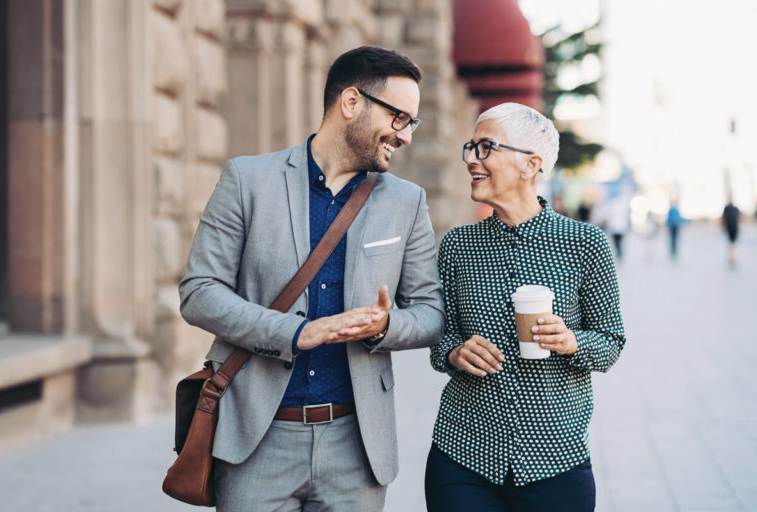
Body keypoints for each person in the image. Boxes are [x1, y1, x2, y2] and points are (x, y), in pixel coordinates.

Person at [179, 46, 445, 511]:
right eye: (399, 118)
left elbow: (431, 312)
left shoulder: (407, 201)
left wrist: (383, 327)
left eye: (411, 124)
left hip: (357, 447)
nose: (404, 136)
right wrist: (295, 333)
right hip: (255, 441)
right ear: (351, 103)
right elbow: (199, 293)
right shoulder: (247, 179)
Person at [425, 103, 626, 511]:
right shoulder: (457, 246)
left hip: (555, 461)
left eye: (485, 148)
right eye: (470, 147)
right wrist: (453, 351)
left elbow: (611, 343)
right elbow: (438, 335)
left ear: (530, 165)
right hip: (463, 454)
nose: (470, 159)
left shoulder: (586, 244)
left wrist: (571, 342)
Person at [722, 199, 740, 267]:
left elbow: (738, 218)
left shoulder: (734, 209)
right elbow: (723, 218)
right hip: (731, 227)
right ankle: (731, 258)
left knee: (732, 244)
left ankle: (732, 258)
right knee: (731, 244)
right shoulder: (728, 209)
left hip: (733, 228)